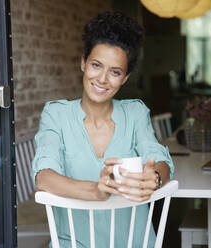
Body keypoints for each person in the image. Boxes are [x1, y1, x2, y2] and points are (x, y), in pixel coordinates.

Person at [32, 11, 174, 248]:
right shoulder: (56, 114)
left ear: (125, 78)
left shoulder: (135, 113)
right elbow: (44, 177)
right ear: (83, 63)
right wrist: (96, 191)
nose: (102, 79)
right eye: (96, 65)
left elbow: (160, 160)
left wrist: (155, 178)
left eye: (115, 72)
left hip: (135, 243)